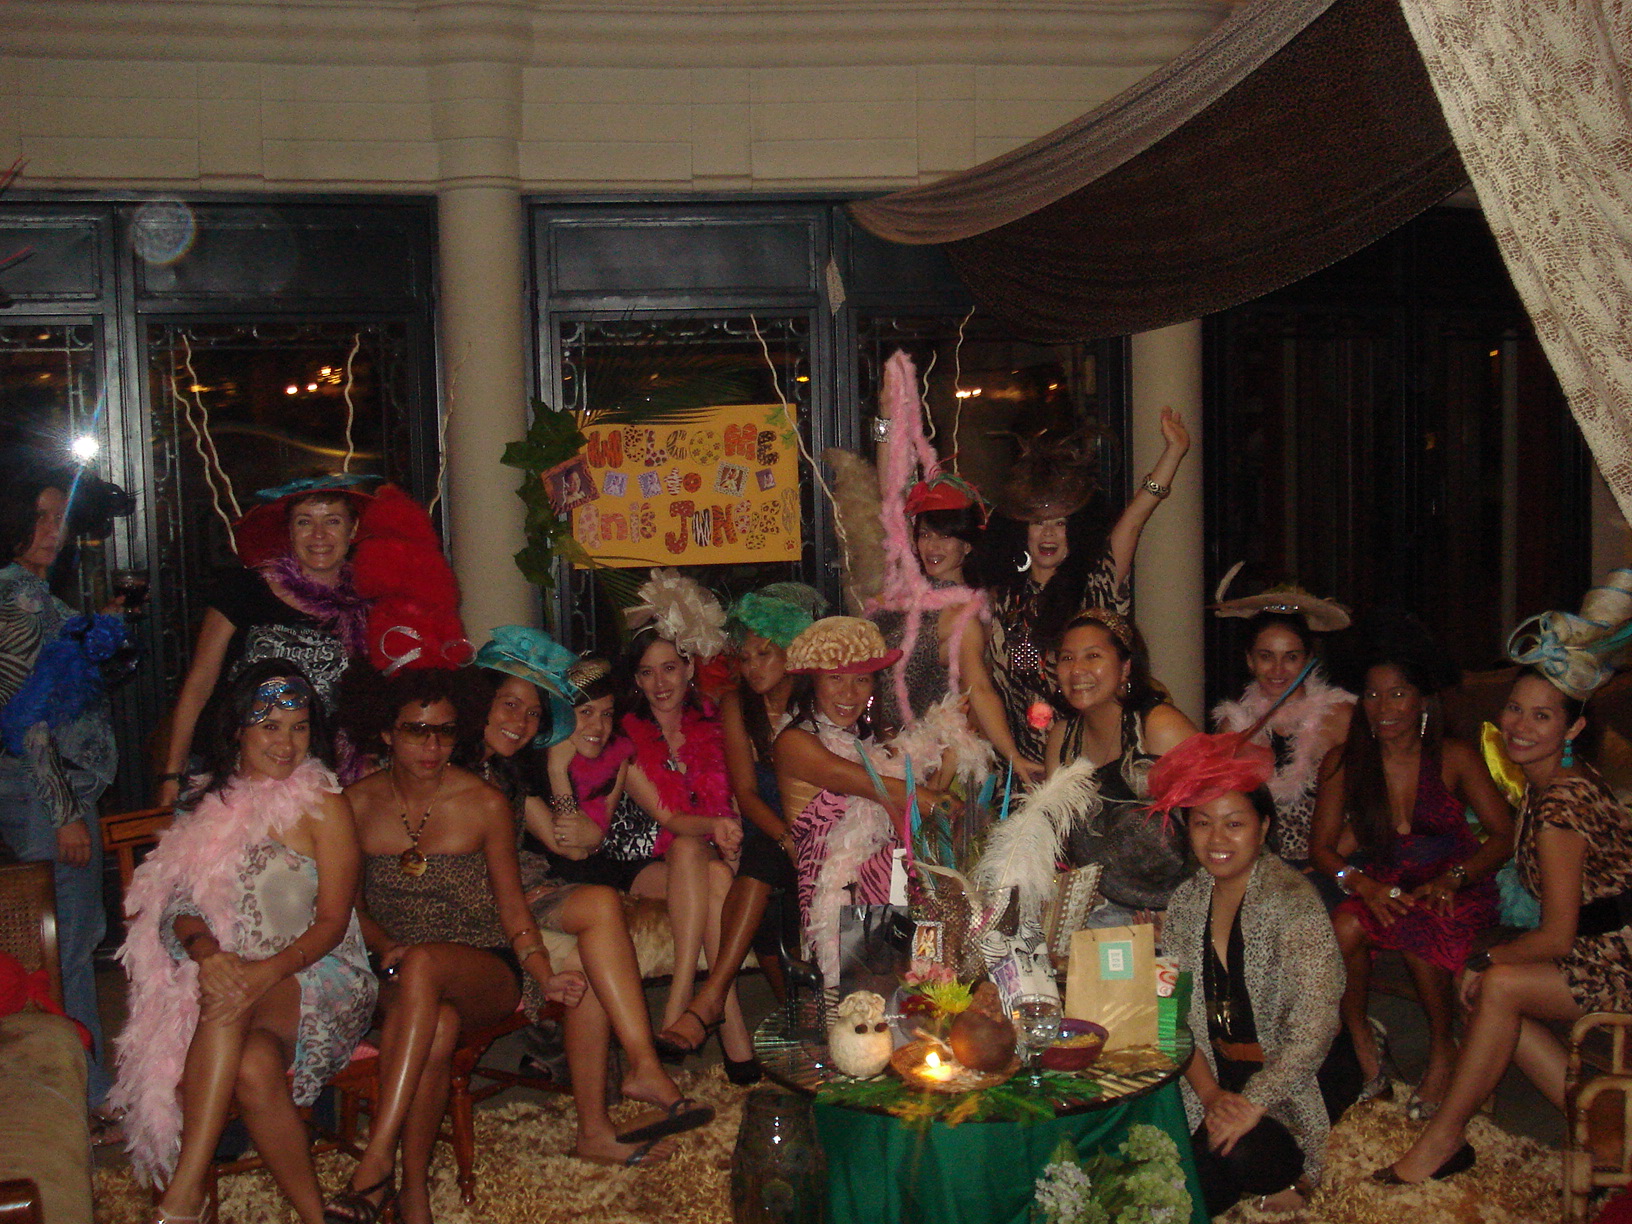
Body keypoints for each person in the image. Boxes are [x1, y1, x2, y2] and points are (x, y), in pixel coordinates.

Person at [333, 669, 712, 1224]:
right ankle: (411, 1194)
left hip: (481, 962)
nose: (432, 746)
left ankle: (374, 1164)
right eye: (417, 731)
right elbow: (348, 906)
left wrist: (541, 973)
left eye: (443, 732)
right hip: (395, 970)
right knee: (436, 1023)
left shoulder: (484, 799)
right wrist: (384, 942)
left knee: (427, 963)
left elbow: (512, 908)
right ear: (388, 734)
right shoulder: (353, 804)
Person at [1378, 584, 1632, 1184]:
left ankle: (1445, 1138)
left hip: (1616, 957)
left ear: (1573, 728)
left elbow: (1558, 936)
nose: (1519, 725)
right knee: (1490, 989)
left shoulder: (1560, 807)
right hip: (1599, 945)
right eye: (1516, 708)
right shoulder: (1551, 785)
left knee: (1494, 985)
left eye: (1542, 716)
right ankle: (1602, 1129)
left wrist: (1486, 958)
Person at [109, 661, 375, 1224]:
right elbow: (176, 907)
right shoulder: (205, 806)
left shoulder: (325, 804)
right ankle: (314, 1217)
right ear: (237, 731)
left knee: (227, 1000)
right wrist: (207, 953)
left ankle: (184, 1194)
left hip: (321, 972)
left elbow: (334, 922)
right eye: (270, 726)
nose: (286, 743)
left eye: (299, 727)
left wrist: (259, 973)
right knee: (252, 1063)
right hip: (233, 975)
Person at [1309, 629, 1513, 1119]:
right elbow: (1321, 849)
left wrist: (1456, 877)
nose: (1383, 707)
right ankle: (1362, 1040)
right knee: (1343, 926)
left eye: (1398, 693)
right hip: (1385, 883)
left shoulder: (1455, 755)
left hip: (1452, 884)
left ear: (1422, 701)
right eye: (1372, 695)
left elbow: (1505, 835)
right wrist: (1361, 883)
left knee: (1418, 928)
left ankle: (1443, 1049)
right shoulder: (1343, 762)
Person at [1153, 734, 1349, 1217]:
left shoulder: (1292, 903)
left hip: (1295, 1073)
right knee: (1173, 1175)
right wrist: (1210, 1095)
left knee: (1235, 1153)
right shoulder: (1185, 903)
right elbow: (1170, 1014)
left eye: (1234, 823)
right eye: (1203, 823)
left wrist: (1252, 1103)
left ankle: (1291, 1174)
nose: (1217, 839)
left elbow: (1315, 1026)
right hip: (1217, 1073)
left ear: (1263, 828)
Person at [0, 458, 126, 1115]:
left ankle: (73, 1090)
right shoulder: (18, 597)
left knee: (66, 941)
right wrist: (65, 810)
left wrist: (95, 632)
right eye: (40, 518)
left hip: (49, 793)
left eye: (60, 518)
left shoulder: (32, 592)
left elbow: (54, 687)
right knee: (66, 947)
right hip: (45, 795)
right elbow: (26, 719)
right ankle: (88, 1097)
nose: (54, 530)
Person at [655, 584, 821, 1068]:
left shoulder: (818, 700)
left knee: (764, 868)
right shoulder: (737, 705)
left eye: (764, 654)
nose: (752, 667)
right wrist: (786, 838)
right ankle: (788, 1015)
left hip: (821, 827)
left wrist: (800, 836)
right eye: (745, 657)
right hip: (768, 831)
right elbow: (746, 793)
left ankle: (714, 998)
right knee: (764, 864)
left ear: (791, 651)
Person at [980, 408, 1190, 772]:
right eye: (1038, 523)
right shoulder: (1001, 601)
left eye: (1060, 524)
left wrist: (1173, 452)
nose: (1048, 534)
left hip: (1089, 759)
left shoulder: (1098, 582)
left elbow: (1135, 519)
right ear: (1023, 532)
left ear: (1075, 531)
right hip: (1016, 768)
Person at [158, 476, 373, 804]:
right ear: (289, 530)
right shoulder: (245, 589)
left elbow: (376, 697)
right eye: (304, 521)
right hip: (233, 769)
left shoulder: (371, 604)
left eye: (332, 521)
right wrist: (172, 774)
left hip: (326, 775)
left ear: (352, 529)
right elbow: (199, 682)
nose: (318, 535)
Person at [772, 616, 944, 984]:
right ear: (813, 681)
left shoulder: (873, 739)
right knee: (869, 1005)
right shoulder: (794, 742)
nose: (849, 694)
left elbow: (911, 801)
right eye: (836, 678)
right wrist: (937, 804)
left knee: (923, 987)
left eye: (861, 680)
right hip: (838, 892)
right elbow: (876, 787)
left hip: (897, 879)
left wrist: (955, 748)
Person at [1042, 608, 1198, 923]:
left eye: (1093, 656)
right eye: (1067, 658)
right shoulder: (1062, 739)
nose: (1077, 670)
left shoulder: (1160, 729)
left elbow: (1217, 824)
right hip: (1100, 913)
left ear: (1125, 668)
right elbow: (1059, 839)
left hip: (1178, 913)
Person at [1211, 588, 1354, 894]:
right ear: (1250, 660)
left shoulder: (1340, 716)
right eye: (1266, 657)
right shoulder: (1233, 727)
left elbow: (1371, 808)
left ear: (1308, 660)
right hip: (1258, 871)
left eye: (1291, 657)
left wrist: (1319, 867)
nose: (1277, 670)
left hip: (1332, 866)